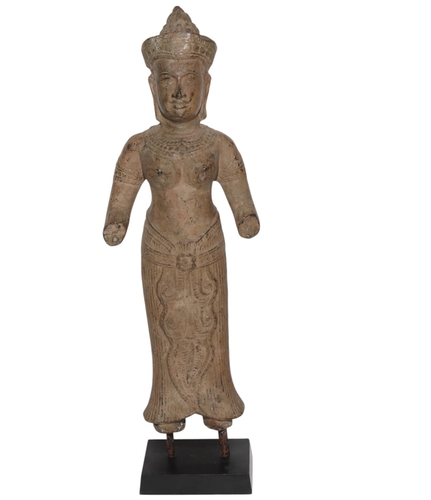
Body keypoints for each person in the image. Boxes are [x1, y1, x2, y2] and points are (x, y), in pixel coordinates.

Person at [103, 7, 259, 456]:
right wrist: (116, 220)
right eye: (167, 80)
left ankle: (218, 403)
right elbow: (122, 194)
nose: (177, 92)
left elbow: (240, 194)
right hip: (160, 251)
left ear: (206, 85)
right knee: (166, 329)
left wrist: (246, 216)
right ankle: (167, 407)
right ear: (151, 85)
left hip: (206, 248)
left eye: (188, 80)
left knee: (212, 327)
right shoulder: (140, 145)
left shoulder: (217, 144)